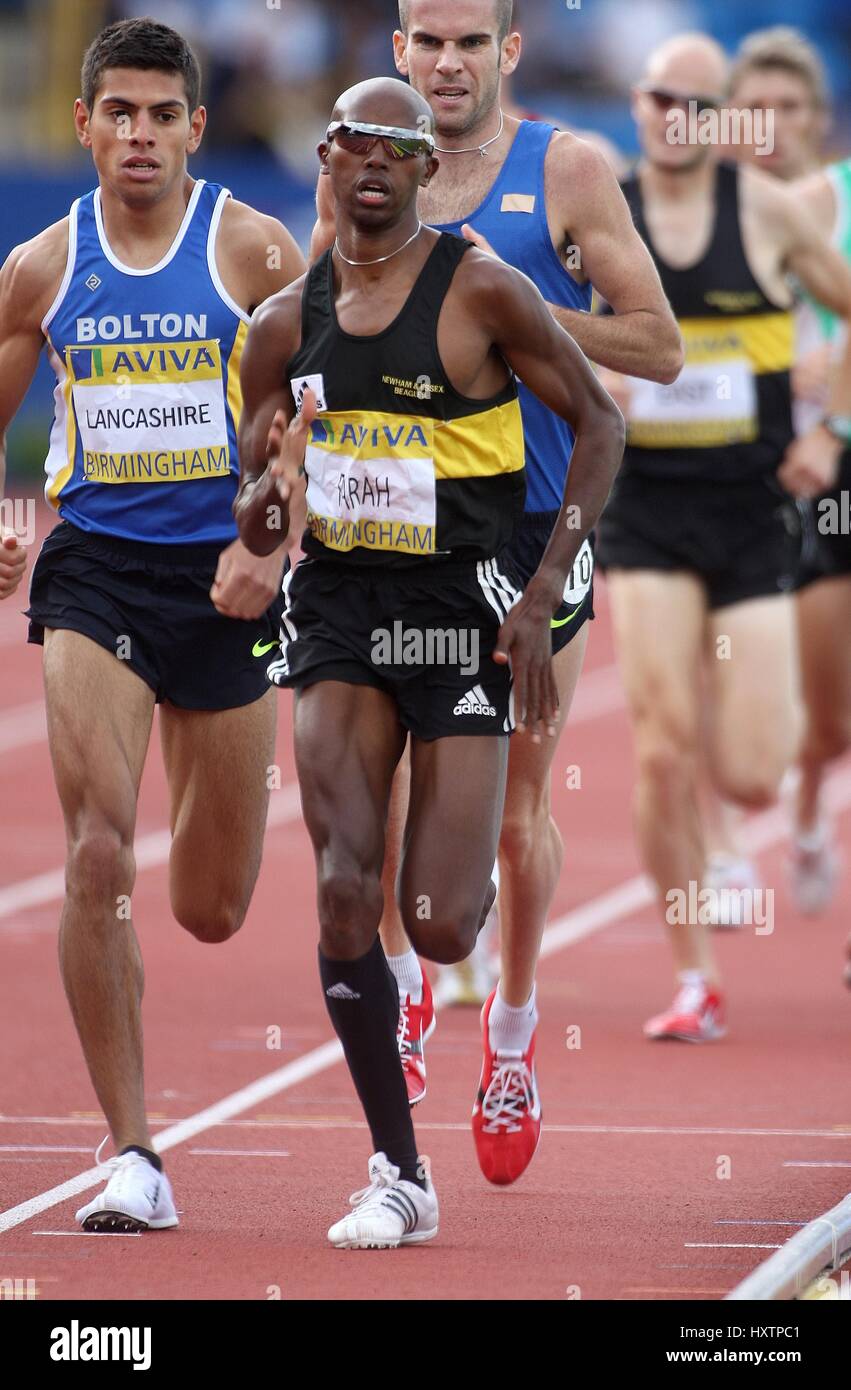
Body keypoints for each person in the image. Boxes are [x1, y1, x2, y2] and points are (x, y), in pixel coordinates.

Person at [235, 75, 625, 1246]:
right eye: (349, 145)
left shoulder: (484, 290)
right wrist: (265, 501)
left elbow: (599, 420)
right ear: (324, 163)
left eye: (393, 150)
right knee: (347, 885)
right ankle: (397, 1172)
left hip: (460, 608)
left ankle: (469, 915)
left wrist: (544, 585)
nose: (369, 165)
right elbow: (252, 507)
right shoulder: (275, 326)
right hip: (342, 612)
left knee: (440, 921)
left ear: (422, 171)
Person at [311, 0, 682, 1181]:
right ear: (398, 52)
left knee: (512, 804)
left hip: (529, 526)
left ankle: (512, 1036)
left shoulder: (562, 169)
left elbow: (660, 343)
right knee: (360, 802)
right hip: (386, 535)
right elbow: (312, 322)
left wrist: (498, 319)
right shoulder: (366, 165)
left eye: (472, 42)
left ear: (507, 54)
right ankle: (411, 986)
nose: (448, 62)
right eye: (427, 40)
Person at [0, 17, 305, 1231]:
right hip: (96, 577)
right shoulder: (38, 266)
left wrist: (264, 543)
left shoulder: (253, 250)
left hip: (222, 584)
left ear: (194, 125)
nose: (138, 134)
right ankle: (134, 1150)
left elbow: (315, 424)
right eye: (116, 113)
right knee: (93, 852)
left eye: (159, 114)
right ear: (83, 126)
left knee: (212, 905)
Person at [595, 34, 851, 1040]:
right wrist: (592, 378)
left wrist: (826, 429)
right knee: (660, 745)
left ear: (723, 121)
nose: (674, 118)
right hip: (645, 507)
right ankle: (693, 974)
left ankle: (759, 807)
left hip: (749, 509)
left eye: (696, 106)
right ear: (636, 99)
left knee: (749, 766)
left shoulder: (773, 215)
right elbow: (522, 317)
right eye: (660, 98)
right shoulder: (596, 210)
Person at [730, 29, 851, 917]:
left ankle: (804, 807)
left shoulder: (829, 202)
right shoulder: (706, 210)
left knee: (829, 712)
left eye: (788, 110)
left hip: (832, 468)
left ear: (819, 118)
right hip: (741, 468)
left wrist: (833, 401)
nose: (770, 127)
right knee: (721, 668)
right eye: (755, 109)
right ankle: (731, 838)